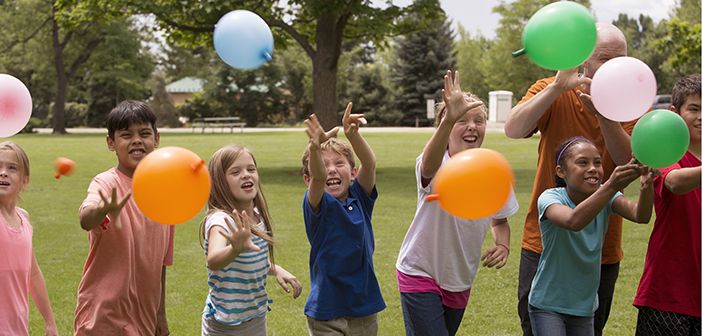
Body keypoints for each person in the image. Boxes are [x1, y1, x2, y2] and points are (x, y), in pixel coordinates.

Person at [504, 23, 637, 336]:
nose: (614, 67)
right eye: (605, 59)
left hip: (600, 249)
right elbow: (514, 129)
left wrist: (605, 114)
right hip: (544, 243)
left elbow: (624, 159)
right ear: (584, 61)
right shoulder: (552, 88)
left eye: (620, 59)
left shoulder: (629, 101)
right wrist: (556, 89)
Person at [395, 70, 519, 336]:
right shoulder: (436, 162)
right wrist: (448, 120)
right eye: (462, 120)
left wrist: (503, 244)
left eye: (479, 120)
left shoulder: (494, 171)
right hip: (419, 272)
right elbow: (428, 165)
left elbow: (500, 220)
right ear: (447, 126)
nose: (472, 126)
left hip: (460, 280)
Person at [530, 136, 654, 336]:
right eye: (582, 162)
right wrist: (611, 186)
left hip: (584, 307)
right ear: (561, 171)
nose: (593, 168)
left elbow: (641, 215)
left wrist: (646, 186)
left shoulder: (608, 196)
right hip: (548, 305)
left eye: (598, 162)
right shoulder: (550, 197)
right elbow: (573, 221)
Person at [74, 100, 174, 335]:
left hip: (145, 316)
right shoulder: (106, 183)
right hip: (103, 313)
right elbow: (86, 219)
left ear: (156, 139)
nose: (137, 140)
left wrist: (161, 315)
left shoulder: (166, 193)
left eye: (144, 133)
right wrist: (101, 209)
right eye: (126, 135)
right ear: (111, 143)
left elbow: (160, 263)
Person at [301, 102, 385, 335]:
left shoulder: (360, 197)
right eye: (325, 165)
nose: (331, 170)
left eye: (339, 163)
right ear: (307, 180)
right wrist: (315, 149)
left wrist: (353, 135)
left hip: (365, 307)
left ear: (353, 173)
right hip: (327, 310)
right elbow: (319, 178)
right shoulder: (318, 203)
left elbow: (370, 163)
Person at [200, 144, 302, 335]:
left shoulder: (257, 217)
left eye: (251, 169)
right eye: (235, 172)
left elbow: (250, 262)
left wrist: (275, 268)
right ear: (220, 182)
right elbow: (213, 260)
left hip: (255, 316)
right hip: (224, 324)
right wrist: (234, 249)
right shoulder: (221, 220)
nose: (246, 175)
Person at [634, 74, 701, 335]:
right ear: (674, 112)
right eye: (694, 109)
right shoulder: (665, 150)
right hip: (668, 293)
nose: (700, 117)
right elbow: (674, 182)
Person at [0, 141, 58, 336]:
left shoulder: (23, 219)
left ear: (24, 181)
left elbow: (33, 274)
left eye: (12, 168)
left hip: (17, 326)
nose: (3, 173)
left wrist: (49, 321)